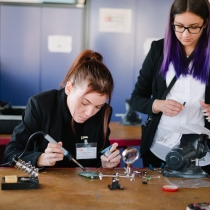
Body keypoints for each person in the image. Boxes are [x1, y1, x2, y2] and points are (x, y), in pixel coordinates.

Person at [3, 49, 121, 169]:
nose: (90, 113)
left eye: (98, 106)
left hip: (85, 186)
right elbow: (10, 154)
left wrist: (105, 162)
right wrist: (39, 158)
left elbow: (100, 156)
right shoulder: (41, 105)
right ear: (69, 88)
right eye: (85, 103)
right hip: (46, 184)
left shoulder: (103, 113)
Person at [130, 0, 210, 173]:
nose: (185, 34)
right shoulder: (159, 49)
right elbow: (137, 98)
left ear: (205, 23)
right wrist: (158, 105)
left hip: (203, 151)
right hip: (160, 146)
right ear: (171, 22)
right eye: (179, 26)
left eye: (194, 27)